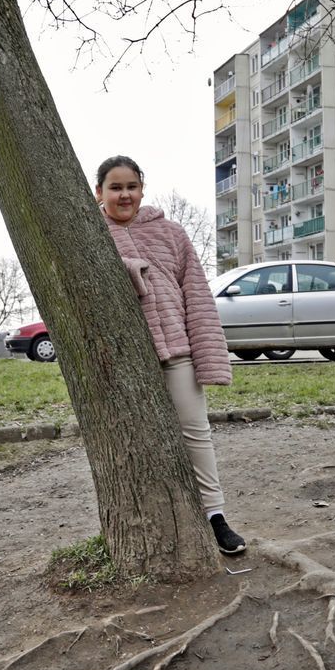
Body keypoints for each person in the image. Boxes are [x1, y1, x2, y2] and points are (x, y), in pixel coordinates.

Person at [93, 156, 245, 556]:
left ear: (142, 189)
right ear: (99, 193)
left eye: (131, 186)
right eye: (115, 187)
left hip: (177, 352)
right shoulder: (89, 237)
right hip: (127, 360)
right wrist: (123, 268)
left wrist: (208, 356)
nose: (124, 195)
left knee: (196, 434)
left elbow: (196, 296)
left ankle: (215, 517)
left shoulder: (172, 233)